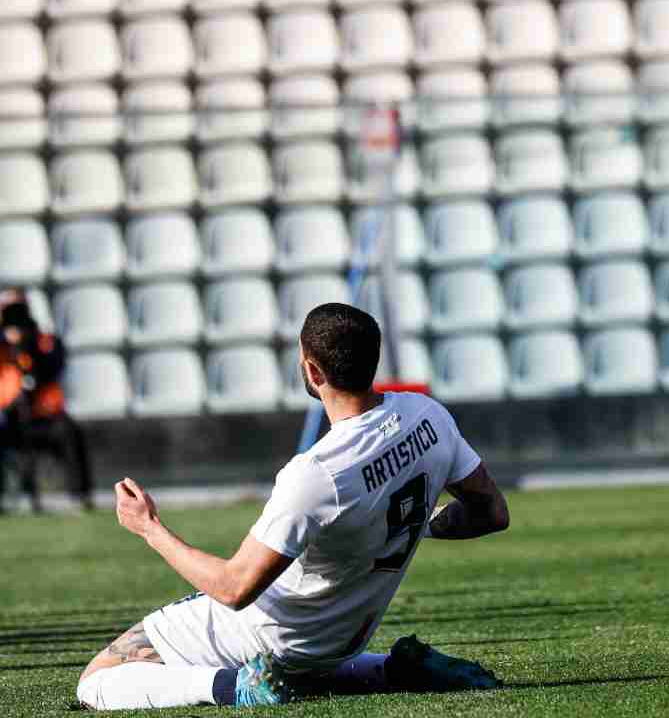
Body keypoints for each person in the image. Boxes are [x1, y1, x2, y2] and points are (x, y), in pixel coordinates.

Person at [76, 303, 510, 709]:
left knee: (97, 681)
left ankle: (237, 687)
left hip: (276, 637)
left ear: (311, 369)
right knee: (306, 655)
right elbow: (492, 513)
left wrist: (150, 528)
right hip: (345, 639)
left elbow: (234, 588)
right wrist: (415, 524)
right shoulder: (428, 416)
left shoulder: (318, 472)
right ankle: (396, 668)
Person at [0, 290, 93, 511]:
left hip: (42, 417)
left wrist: (28, 346)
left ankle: (80, 496)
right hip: (7, 417)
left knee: (69, 431)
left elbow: (52, 368)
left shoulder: (45, 341)